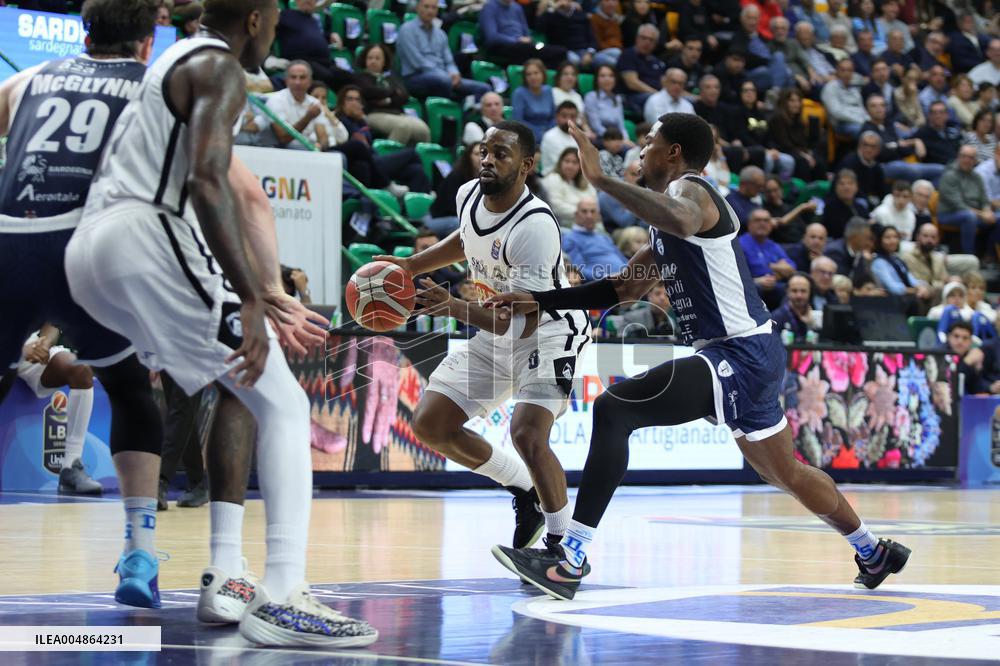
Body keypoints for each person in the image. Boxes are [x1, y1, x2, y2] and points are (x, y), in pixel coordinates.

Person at [487, 113, 909, 600]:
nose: (640, 150)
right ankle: (873, 549)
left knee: (613, 409)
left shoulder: (694, 192)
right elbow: (623, 287)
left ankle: (570, 557)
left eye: (649, 142)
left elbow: (683, 218)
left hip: (740, 352)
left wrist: (600, 179)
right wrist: (541, 301)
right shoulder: (666, 220)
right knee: (784, 472)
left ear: (673, 153)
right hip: (748, 353)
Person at [62, 0, 373, 645]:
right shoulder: (221, 67)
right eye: (276, 22)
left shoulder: (171, 59)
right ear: (257, 19)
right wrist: (254, 299)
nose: (277, 35)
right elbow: (210, 183)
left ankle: (227, 574)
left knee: (240, 385)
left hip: (87, 257)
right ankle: (285, 595)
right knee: (284, 401)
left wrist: (257, 296)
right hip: (146, 237)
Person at [0, 0, 169, 611]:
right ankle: (139, 551)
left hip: (10, 237)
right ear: (148, 42)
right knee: (129, 387)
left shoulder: (30, 78)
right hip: (88, 247)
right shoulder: (152, 86)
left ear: (83, 32)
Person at [374, 120, 591, 569]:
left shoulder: (536, 225)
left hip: (546, 330)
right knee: (431, 423)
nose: (488, 160)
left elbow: (515, 319)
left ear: (528, 165)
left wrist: (451, 307)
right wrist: (411, 265)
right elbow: (469, 240)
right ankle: (524, 490)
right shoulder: (468, 194)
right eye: (484, 150)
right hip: (497, 322)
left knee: (528, 432)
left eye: (501, 153)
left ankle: (561, 547)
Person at [16, 326, 101, 494]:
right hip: (9, 350)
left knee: (80, 369)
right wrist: (15, 349)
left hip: (28, 350)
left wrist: (44, 343)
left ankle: (71, 466)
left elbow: (52, 320)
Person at [398, 0, 492, 101]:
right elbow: (417, 62)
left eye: (434, 8)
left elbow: (449, 61)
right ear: (417, 8)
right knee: (443, 81)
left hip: (443, 76)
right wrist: (445, 75)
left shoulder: (440, 34)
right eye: (426, 7)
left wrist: (454, 73)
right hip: (416, 76)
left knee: (484, 89)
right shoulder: (406, 30)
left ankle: (469, 113)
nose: (430, 11)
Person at [354, 43, 431, 146]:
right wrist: (392, 92)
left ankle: (415, 159)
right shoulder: (361, 77)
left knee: (423, 129)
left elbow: (404, 96)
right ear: (365, 60)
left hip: (397, 114)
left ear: (384, 61)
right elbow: (370, 92)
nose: (373, 61)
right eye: (370, 58)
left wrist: (387, 100)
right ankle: (388, 157)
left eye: (377, 58)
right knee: (402, 126)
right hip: (373, 114)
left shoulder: (391, 77)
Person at [861, 93, 943, 184]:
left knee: (941, 170)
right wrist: (897, 145)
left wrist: (913, 142)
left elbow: (902, 148)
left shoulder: (889, 125)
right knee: (910, 170)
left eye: (882, 105)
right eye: (874, 106)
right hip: (882, 166)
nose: (879, 109)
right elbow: (880, 153)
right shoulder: (867, 130)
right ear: (866, 110)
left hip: (901, 162)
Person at [275, 0, 355, 93]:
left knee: (350, 78)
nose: (308, 1)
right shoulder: (286, 15)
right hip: (302, 61)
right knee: (327, 76)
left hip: (325, 63)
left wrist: (329, 36)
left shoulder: (313, 20)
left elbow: (314, 36)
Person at [937, 144, 999, 256]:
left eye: (971, 157)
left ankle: (990, 256)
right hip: (949, 213)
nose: (967, 160)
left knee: (998, 218)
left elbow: (984, 200)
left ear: (975, 160)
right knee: (969, 217)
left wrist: (987, 211)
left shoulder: (977, 177)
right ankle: (969, 256)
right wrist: (982, 214)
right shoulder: (949, 175)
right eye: (964, 156)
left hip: (975, 214)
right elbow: (958, 205)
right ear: (958, 157)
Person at [265, 61, 343, 150]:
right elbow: (283, 138)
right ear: (286, 81)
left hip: (310, 149)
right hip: (284, 150)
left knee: (341, 155)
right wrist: (308, 117)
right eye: (293, 77)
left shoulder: (315, 103)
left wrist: (321, 146)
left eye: (302, 78)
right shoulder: (275, 100)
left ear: (310, 82)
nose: (297, 82)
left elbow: (323, 137)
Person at [479, 0, 567, 68]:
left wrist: (527, 39)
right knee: (525, 50)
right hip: (502, 46)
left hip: (523, 45)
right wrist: (516, 40)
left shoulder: (517, 8)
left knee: (560, 52)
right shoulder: (489, 7)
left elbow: (526, 32)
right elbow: (492, 37)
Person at [740, 208, 797, 309]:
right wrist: (757, 280)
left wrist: (771, 266)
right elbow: (738, 276)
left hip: (776, 289)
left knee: (795, 288)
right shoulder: (740, 244)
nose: (762, 224)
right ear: (749, 224)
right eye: (758, 220)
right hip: (751, 290)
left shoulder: (774, 246)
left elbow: (791, 269)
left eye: (766, 220)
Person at [561, 197, 628, 281]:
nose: (589, 216)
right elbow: (578, 270)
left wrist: (632, 273)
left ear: (598, 216)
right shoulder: (570, 238)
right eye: (584, 211)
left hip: (625, 280)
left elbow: (624, 261)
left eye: (593, 212)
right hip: (605, 284)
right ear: (576, 215)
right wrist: (607, 278)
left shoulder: (604, 237)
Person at [537, 0, 619, 68]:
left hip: (586, 52)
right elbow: (538, 28)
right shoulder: (551, 15)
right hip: (565, 51)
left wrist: (590, 53)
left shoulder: (580, 14)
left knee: (616, 54)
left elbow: (592, 37)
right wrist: (553, 8)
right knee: (574, 60)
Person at [769, 88, 824, 181]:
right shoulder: (777, 119)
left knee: (818, 161)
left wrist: (807, 153)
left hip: (796, 151)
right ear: (784, 102)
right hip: (782, 150)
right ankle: (802, 191)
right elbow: (784, 143)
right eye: (792, 101)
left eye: (798, 101)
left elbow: (803, 142)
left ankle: (819, 191)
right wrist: (803, 154)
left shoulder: (799, 121)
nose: (796, 104)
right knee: (803, 161)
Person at [871, 226, 932, 309]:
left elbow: (910, 279)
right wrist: (914, 291)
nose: (892, 241)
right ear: (880, 240)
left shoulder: (897, 259)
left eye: (895, 237)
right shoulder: (878, 262)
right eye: (888, 237)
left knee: (932, 291)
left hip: (908, 295)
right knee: (917, 301)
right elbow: (892, 287)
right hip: (891, 299)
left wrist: (921, 287)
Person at [428, 142, 482, 236]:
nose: (480, 158)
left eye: (483, 154)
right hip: (436, 219)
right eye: (476, 154)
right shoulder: (456, 176)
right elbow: (452, 208)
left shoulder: (486, 178)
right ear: (468, 157)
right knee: (459, 224)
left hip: (457, 217)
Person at [617, 24, 667, 116]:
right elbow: (632, 83)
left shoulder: (657, 61)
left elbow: (665, 84)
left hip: (656, 97)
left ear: (655, 44)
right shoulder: (628, 55)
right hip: (633, 97)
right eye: (643, 38)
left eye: (651, 40)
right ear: (636, 38)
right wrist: (657, 95)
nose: (647, 42)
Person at [543, 147, 599, 226]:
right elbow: (557, 207)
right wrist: (584, 214)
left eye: (574, 162)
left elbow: (595, 205)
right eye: (567, 161)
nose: (570, 165)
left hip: (589, 224)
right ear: (560, 162)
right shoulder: (553, 179)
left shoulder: (585, 182)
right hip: (563, 225)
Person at [838, 131, 889, 209]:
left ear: (878, 149)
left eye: (873, 146)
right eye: (866, 145)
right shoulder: (849, 163)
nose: (869, 149)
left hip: (871, 200)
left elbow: (882, 189)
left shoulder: (876, 166)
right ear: (859, 145)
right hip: (850, 200)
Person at [902, 223, 950, 304]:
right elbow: (917, 282)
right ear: (918, 237)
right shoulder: (908, 257)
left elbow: (945, 280)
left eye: (933, 237)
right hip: (918, 296)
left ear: (938, 240)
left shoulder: (938, 258)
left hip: (937, 295)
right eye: (925, 236)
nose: (929, 240)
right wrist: (936, 285)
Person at [821, 58, 869, 139]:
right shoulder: (831, 87)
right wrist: (862, 121)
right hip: (842, 124)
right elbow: (837, 113)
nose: (846, 73)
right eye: (843, 70)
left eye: (849, 70)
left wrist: (870, 121)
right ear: (837, 71)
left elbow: (861, 109)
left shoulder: (854, 89)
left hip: (860, 121)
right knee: (864, 131)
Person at [762, 176, 817, 244]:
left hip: (802, 242)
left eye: (775, 190)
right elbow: (782, 222)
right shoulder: (764, 211)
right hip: (787, 246)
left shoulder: (789, 206)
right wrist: (802, 207)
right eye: (768, 191)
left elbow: (803, 227)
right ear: (764, 193)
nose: (772, 194)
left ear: (781, 189)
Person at [512, 59, 555, 144]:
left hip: (549, 135)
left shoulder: (548, 90)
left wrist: (550, 133)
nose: (533, 77)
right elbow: (517, 121)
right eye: (529, 74)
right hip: (527, 136)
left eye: (536, 73)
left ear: (543, 74)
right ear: (525, 77)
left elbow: (553, 117)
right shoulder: (519, 93)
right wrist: (540, 134)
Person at [583, 64, 629, 143]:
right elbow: (596, 126)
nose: (607, 79)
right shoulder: (591, 97)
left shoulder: (617, 98)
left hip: (617, 140)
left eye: (611, 76)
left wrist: (626, 139)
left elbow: (621, 125)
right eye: (602, 76)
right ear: (597, 79)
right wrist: (618, 139)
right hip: (600, 138)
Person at [821, 170, 870, 240]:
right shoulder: (829, 207)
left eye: (850, 183)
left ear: (856, 187)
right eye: (842, 184)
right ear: (836, 187)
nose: (846, 187)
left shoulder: (860, 207)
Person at [771, 273, 819, 341]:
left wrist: (810, 324)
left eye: (803, 291)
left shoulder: (817, 315)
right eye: (794, 291)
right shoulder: (776, 317)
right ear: (787, 292)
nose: (799, 295)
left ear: (810, 293)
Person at [599, 161, 643, 231]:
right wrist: (640, 199)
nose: (638, 179)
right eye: (634, 175)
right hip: (614, 232)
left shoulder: (646, 189)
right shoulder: (611, 191)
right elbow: (625, 223)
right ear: (625, 174)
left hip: (637, 230)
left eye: (642, 176)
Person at [540, 101, 581, 176]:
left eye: (572, 116)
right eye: (564, 116)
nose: (568, 120)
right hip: (553, 177)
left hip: (575, 178)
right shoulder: (550, 136)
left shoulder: (579, 137)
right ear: (557, 117)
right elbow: (562, 166)